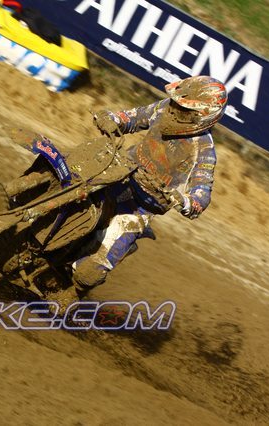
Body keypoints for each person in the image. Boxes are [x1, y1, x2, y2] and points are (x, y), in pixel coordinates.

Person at [71, 75, 227, 291]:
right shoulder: (165, 109)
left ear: (202, 116)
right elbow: (135, 117)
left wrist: (185, 200)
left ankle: (68, 295)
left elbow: (202, 192)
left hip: (141, 205)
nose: (175, 110)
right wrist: (113, 119)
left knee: (88, 273)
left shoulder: (203, 150)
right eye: (176, 103)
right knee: (73, 175)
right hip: (120, 171)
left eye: (184, 108)